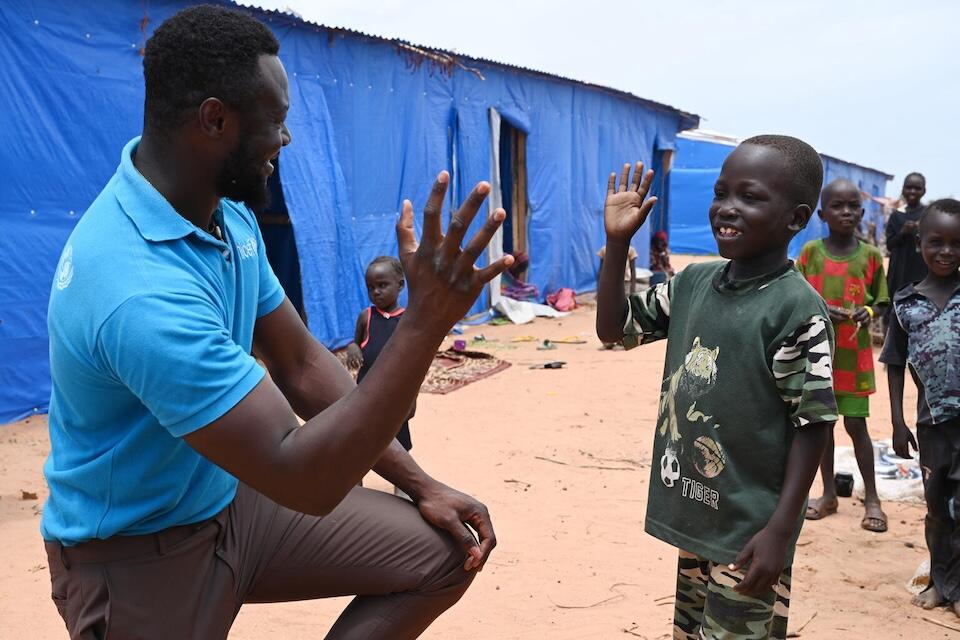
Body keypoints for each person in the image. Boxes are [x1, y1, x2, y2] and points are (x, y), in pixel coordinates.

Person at [41, 7, 514, 639]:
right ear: (215, 119)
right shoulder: (135, 287)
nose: (285, 141)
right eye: (277, 121)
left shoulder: (225, 215)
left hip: (230, 503)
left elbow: (301, 363)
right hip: (137, 552)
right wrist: (425, 324)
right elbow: (305, 478)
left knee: (445, 549)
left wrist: (420, 483)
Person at [597, 135, 838, 639]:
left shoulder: (795, 309)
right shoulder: (692, 283)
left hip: (749, 531)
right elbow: (613, 330)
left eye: (749, 197)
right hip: (699, 512)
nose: (727, 209)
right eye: (721, 193)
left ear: (794, 219)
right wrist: (618, 244)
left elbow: (812, 426)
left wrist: (780, 532)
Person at [880, 199, 960, 616]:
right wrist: (896, 421)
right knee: (936, 509)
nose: (947, 251)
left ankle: (957, 589)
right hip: (931, 427)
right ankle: (939, 583)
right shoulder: (906, 303)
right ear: (919, 242)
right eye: (937, 242)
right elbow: (894, 363)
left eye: (956, 243)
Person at [797, 179, 889, 532]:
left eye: (853, 206)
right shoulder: (810, 255)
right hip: (818, 356)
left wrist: (867, 310)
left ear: (862, 213)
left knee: (856, 426)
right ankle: (828, 493)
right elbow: (798, 298)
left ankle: (873, 499)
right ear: (822, 213)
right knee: (822, 427)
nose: (846, 212)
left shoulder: (869, 257)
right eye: (838, 206)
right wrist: (820, 310)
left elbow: (880, 300)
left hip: (854, 358)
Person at [346, 256, 415, 456]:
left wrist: (412, 398)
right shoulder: (366, 317)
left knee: (399, 438)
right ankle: (355, 480)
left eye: (382, 285)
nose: (376, 292)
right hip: (366, 391)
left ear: (400, 284)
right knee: (359, 437)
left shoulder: (406, 320)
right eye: (371, 287)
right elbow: (356, 343)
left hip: (397, 393)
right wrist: (353, 348)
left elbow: (414, 363)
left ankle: (401, 484)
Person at [885, 173, 928, 306]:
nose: (912, 192)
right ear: (903, 190)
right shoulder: (896, 215)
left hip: (921, 269)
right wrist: (903, 232)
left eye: (917, 188)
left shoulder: (927, 214)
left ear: (923, 191)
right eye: (909, 188)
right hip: (899, 269)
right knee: (896, 304)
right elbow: (890, 245)